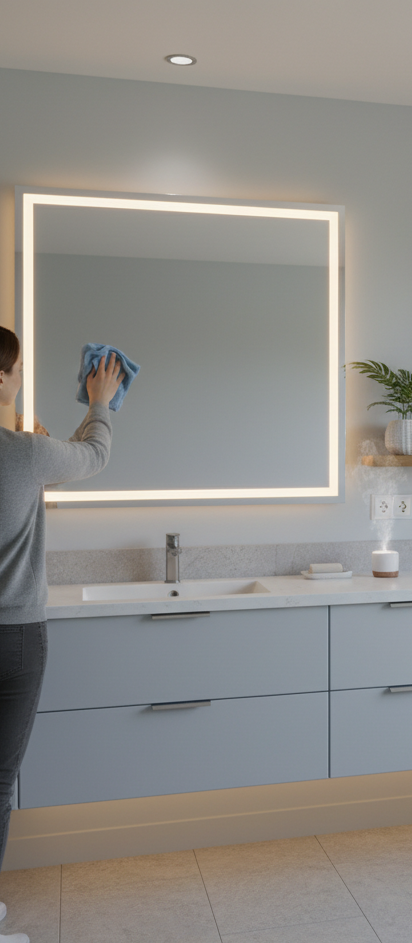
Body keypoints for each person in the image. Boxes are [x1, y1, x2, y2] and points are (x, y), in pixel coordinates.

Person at [0, 327, 123, 943]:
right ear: (0, 378)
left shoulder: (27, 453)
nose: (20, 377)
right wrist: (99, 402)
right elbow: (93, 457)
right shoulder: (22, 453)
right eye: (16, 368)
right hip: (14, 637)